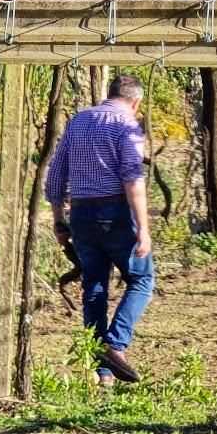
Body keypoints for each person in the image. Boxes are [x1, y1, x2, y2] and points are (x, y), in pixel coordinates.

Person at [45, 73, 154, 386]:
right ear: (136, 101)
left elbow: (55, 177)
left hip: (81, 214)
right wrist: (143, 229)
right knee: (142, 279)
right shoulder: (127, 126)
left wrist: (58, 220)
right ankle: (115, 345)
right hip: (115, 212)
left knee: (94, 289)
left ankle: (103, 373)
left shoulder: (78, 121)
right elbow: (133, 179)